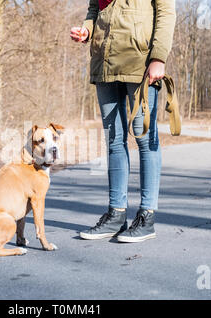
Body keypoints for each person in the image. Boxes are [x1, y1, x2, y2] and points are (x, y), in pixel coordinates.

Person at [70, 0, 176, 243]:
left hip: (140, 63)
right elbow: (95, 9)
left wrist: (158, 57)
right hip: (104, 62)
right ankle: (116, 215)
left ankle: (147, 216)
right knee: (114, 140)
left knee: (144, 136)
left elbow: (166, 12)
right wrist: (87, 31)